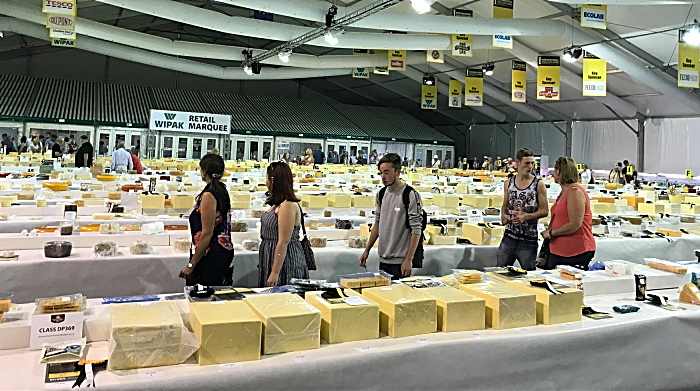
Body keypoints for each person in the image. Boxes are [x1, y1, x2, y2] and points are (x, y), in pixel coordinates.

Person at [360, 153, 423, 279]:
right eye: (381, 173)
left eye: (387, 172)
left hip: (400, 262)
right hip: (383, 259)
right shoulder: (381, 194)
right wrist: (367, 250)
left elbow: (416, 229)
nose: (383, 177)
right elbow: (377, 224)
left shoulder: (410, 195)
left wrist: (409, 259)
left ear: (398, 172)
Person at [178, 154, 234, 285]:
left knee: (203, 298)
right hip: (219, 252)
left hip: (211, 254)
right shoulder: (221, 190)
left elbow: (207, 233)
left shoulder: (209, 195)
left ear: (204, 171)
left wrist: (191, 265)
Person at [497, 148, 549, 271]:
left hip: (528, 240)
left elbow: (545, 211)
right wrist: (503, 215)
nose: (530, 166)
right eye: (527, 163)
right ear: (518, 162)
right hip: (509, 237)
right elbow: (505, 204)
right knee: (499, 273)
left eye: (532, 163)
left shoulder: (538, 185)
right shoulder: (509, 182)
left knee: (529, 276)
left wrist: (525, 217)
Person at [259, 161, 308, 287]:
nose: (266, 182)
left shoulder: (287, 205)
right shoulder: (278, 204)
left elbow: (283, 241)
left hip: (285, 263)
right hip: (273, 258)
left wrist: (275, 272)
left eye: (267, 178)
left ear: (273, 180)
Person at [540, 157, 596, 269]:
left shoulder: (575, 192)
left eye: (554, 170)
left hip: (575, 250)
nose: (552, 174)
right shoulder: (564, 192)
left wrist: (551, 233)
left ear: (559, 171)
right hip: (558, 249)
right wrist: (544, 251)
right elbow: (555, 219)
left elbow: (575, 224)